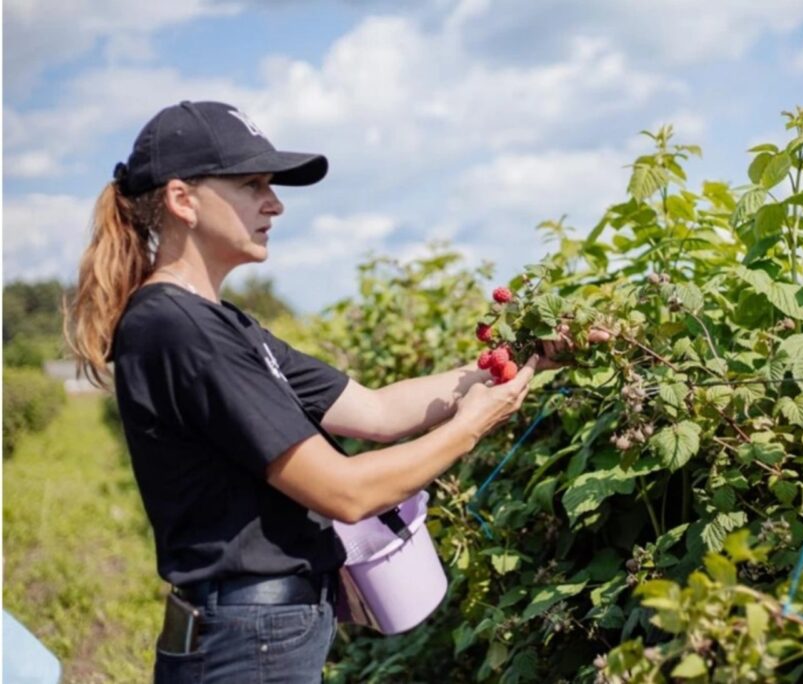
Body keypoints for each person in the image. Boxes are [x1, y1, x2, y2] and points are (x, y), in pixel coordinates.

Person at [64, 100, 552, 683]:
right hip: (248, 643)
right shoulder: (179, 329)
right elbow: (343, 492)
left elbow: (377, 409)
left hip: (259, 633)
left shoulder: (221, 324)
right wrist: (472, 425)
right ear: (182, 200)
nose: (275, 203)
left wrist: (529, 357)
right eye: (251, 185)